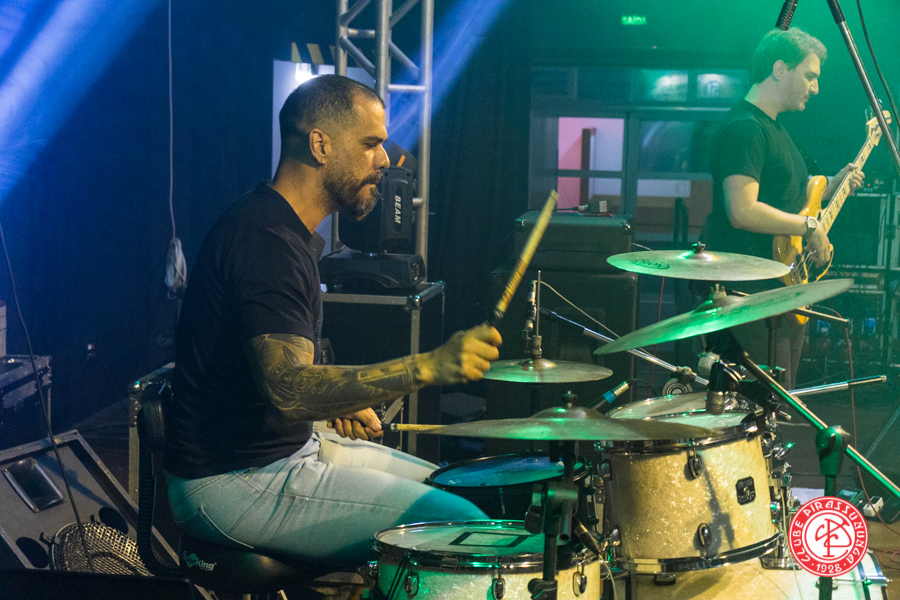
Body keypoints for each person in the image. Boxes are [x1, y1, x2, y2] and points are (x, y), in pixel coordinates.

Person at [163, 74, 502, 565]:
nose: (385, 160)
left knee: (448, 487)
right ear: (320, 145)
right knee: (460, 527)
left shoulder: (280, 227)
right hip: (229, 480)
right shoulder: (266, 243)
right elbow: (289, 389)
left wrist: (332, 404)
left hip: (282, 453)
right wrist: (430, 366)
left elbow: (261, 380)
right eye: (370, 144)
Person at [702, 28, 864, 389]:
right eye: (810, 76)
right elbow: (742, 210)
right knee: (755, 407)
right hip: (751, 299)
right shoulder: (746, 129)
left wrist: (833, 184)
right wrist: (809, 227)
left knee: (776, 407)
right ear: (779, 69)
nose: (815, 88)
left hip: (780, 291)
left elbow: (789, 198)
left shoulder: (775, 129)